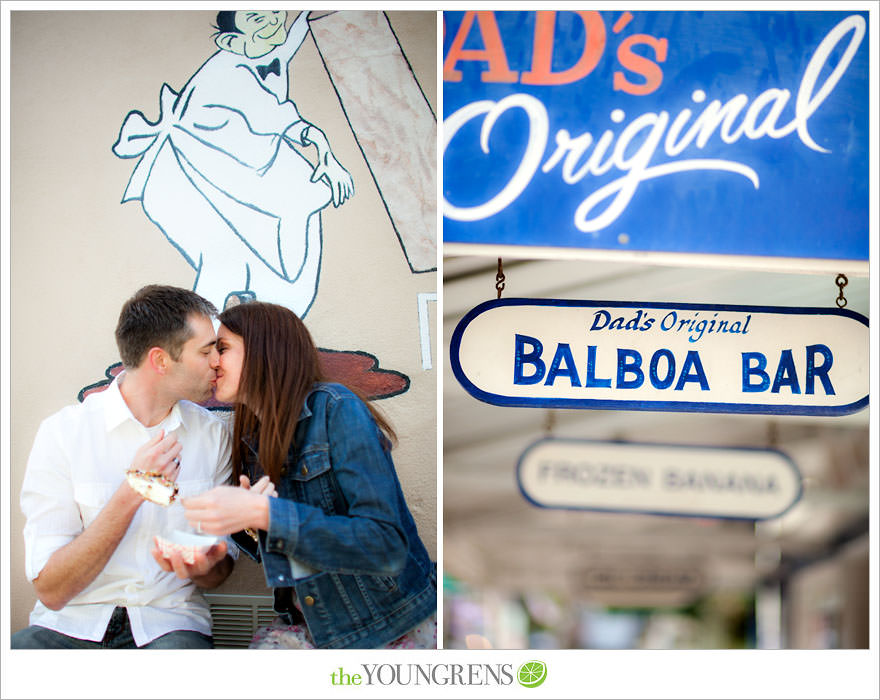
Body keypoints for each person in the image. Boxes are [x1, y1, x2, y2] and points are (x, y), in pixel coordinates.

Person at [181, 301, 437, 649]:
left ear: (263, 351)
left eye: (222, 349)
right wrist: (249, 526)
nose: (213, 361)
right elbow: (295, 551)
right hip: (315, 624)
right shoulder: (252, 436)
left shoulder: (335, 408)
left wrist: (267, 514)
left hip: (388, 623)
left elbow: (385, 545)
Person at [12, 285, 235, 649]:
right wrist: (133, 491)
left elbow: (220, 573)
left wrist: (206, 566)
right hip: (68, 625)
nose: (217, 362)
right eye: (206, 351)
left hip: (169, 625)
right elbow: (51, 590)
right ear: (161, 361)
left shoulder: (213, 437)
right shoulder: (62, 434)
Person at [113, 10, 354, 315]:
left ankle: (258, 319)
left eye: (275, 14)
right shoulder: (228, 73)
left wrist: (304, 18)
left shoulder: (261, 52)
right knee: (224, 257)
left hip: (233, 164)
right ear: (230, 40)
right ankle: (205, 339)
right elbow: (281, 118)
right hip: (183, 174)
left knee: (260, 241)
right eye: (257, 20)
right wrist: (324, 151)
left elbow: (286, 46)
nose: (271, 23)